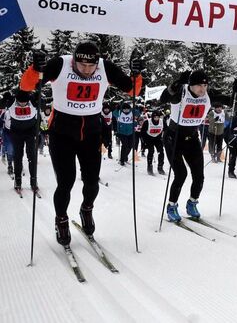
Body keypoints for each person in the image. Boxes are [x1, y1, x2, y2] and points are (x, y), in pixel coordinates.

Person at [20, 41, 144, 246]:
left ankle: (87, 209)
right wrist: (35, 68)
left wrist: (136, 74)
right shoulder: (61, 64)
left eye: (91, 66)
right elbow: (26, 87)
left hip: (91, 132)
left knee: (92, 180)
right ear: (74, 60)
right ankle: (61, 219)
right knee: (66, 181)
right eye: (82, 65)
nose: (87, 70)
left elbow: (132, 91)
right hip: (62, 132)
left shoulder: (104, 66)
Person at [159, 70, 230, 222]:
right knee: (181, 174)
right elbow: (163, 98)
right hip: (174, 137)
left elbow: (228, 100)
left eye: (205, 85)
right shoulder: (181, 93)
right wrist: (177, 83)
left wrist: (236, 94)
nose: (202, 89)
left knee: (199, 175)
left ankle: (192, 203)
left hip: (191, 137)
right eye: (198, 85)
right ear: (191, 85)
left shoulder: (208, 94)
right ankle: (171, 206)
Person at [6, 90, 39, 191]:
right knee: (18, 157)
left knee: (32, 157)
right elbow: (3, 103)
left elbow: (41, 104)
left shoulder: (32, 102)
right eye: (21, 102)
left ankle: (33, 181)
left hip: (30, 133)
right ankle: (18, 180)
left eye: (25, 102)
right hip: (17, 134)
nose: (23, 104)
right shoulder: (12, 102)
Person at [140, 109, 166, 175]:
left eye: (157, 117)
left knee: (161, 152)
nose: (156, 118)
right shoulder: (147, 122)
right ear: (152, 117)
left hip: (157, 138)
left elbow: (166, 130)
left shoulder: (162, 122)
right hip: (149, 138)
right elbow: (142, 133)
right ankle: (149, 167)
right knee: (151, 151)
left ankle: (160, 167)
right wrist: (144, 143)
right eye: (155, 117)